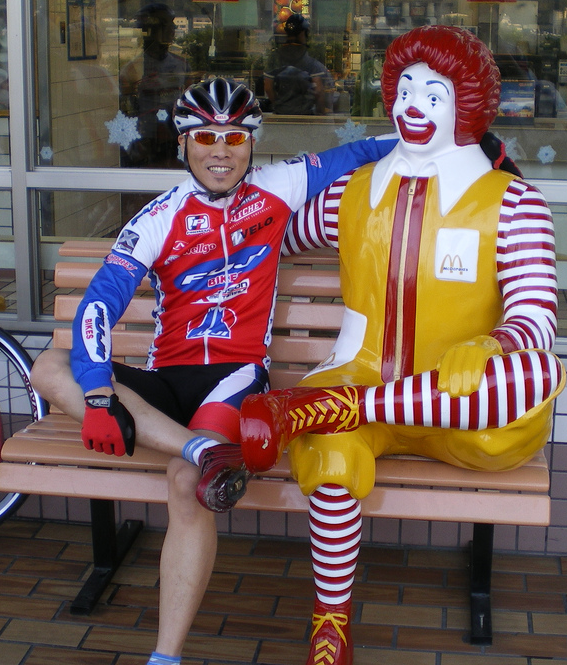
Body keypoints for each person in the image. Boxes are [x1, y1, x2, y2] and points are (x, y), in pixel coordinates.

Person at [210, 26, 566, 665]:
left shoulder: (514, 205)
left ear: (468, 106)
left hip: (459, 407)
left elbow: (536, 320)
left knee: (534, 376)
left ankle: (320, 410)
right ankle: (331, 631)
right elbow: (267, 237)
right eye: (405, 90)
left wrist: (494, 345)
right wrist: (194, 223)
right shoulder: (353, 193)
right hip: (359, 372)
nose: (412, 106)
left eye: (433, 93)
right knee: (335, 460)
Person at [30, 77, 396, 665]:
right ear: (183, 143)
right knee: (49, 367)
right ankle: (204, 450)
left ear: (252, 144)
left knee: (183, 487)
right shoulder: (159, 215)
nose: (220, 150)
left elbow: (359, 153)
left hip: (234, 379)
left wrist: (467, 141)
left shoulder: (278, 188)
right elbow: (100, 301)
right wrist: (99, 393)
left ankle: (164, 658)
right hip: (166, 381)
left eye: (234, 137)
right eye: (205, 136)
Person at [118, 2, 195, 168]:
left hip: (176, 136)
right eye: (165, 25)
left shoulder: (181, 65)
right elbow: (126, 110)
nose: (172, 30)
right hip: (145, 139)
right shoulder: (133, 69)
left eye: (172, 25)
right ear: (150, 30)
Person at [264, 13, 330, 115]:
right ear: (303, 33)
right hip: (305, 115)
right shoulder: (309, 55)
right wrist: (321, 114)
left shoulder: (275, 56)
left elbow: (268, 87)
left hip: (280, 115)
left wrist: (279, 105)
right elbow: (318, 90)